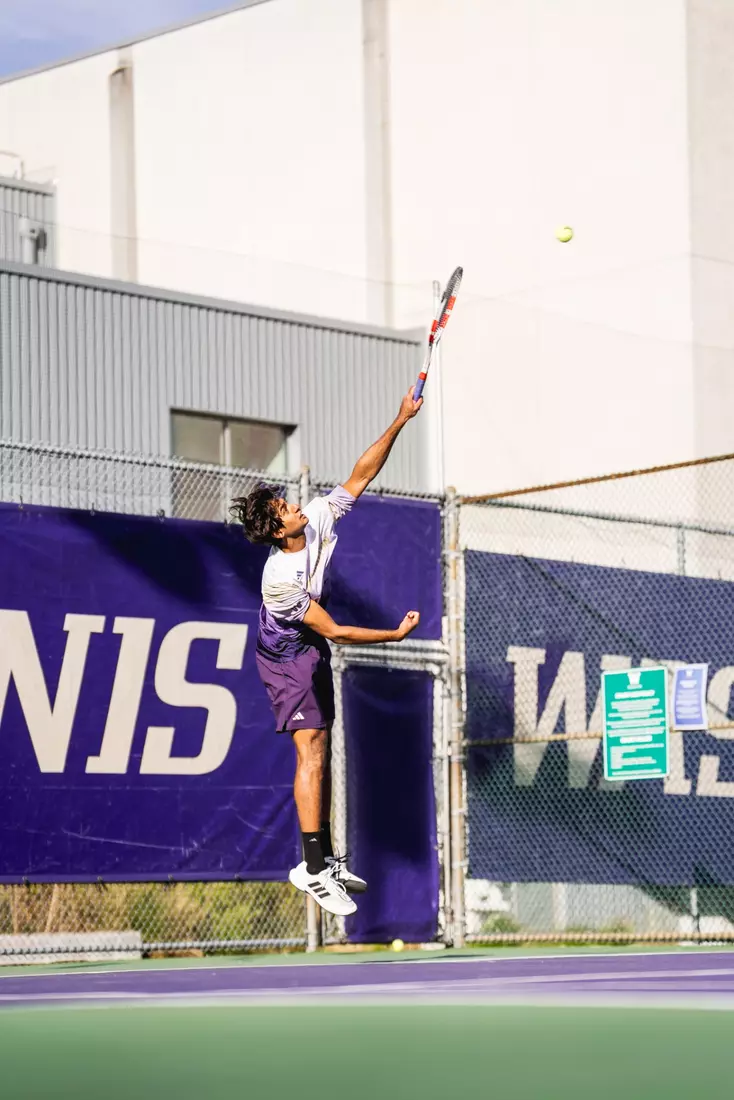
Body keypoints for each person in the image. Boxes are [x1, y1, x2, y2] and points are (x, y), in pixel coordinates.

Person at [230, 388, 423, 916]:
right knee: (310, 747)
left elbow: (359, 476)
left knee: (322, 749)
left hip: (309, 648)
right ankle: (311, 868)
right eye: (285, 508)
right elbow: (335, 631)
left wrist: (400, 419)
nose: (296, 506)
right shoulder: (279, 579)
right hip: (284, 657)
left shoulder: (315, 519)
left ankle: (324, 857)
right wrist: (393, 636)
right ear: (276, 528)